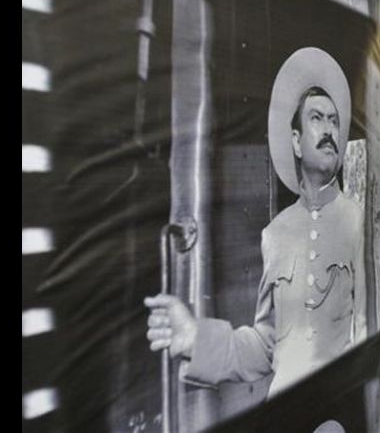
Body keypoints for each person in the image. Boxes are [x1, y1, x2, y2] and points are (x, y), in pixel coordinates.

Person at [144, 47, 367, 398]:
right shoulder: (276, 234)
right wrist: (195, 339)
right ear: (295, 141)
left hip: (337, 409)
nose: (329, 130)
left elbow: (368, 335)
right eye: (317, 119)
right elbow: (266, 345)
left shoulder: (358, 220)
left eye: (334, 120)